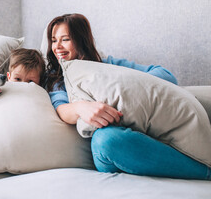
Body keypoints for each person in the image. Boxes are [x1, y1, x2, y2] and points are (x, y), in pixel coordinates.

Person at [45, 13, 211, 180]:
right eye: (53, 40)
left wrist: (125, 95)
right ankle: (206, 173)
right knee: (105, 140)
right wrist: (82, 107)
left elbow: (166, 76)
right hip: (115, 147)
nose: (57, 46)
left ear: (81, 40)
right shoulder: (57, 77)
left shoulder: (107, 65)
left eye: (65, 39)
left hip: (147, 133)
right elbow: (60, 107)